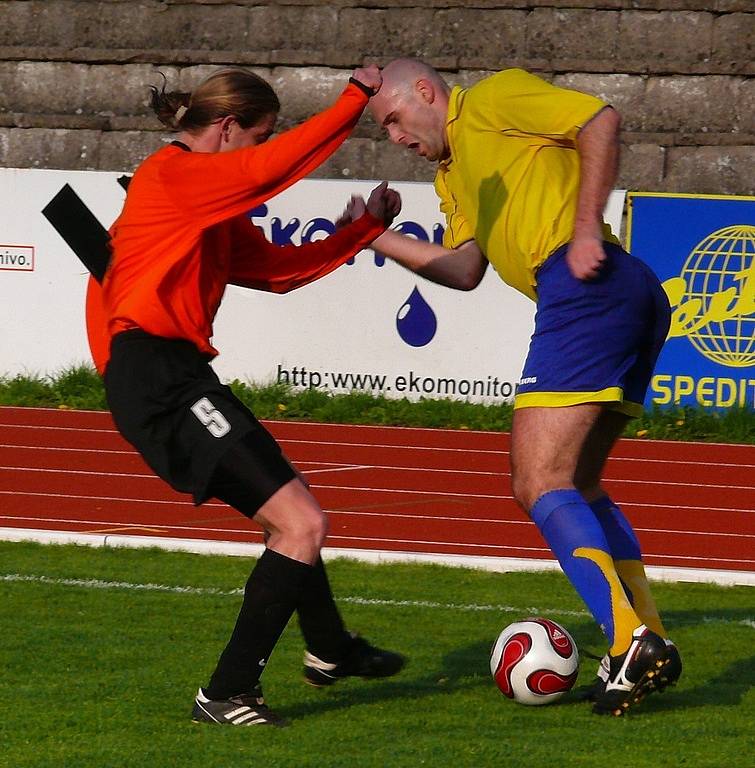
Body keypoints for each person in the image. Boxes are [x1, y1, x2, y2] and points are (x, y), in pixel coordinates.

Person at [353, 58, 681, 716]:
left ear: (424, 92)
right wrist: (371, 237)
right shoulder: (453, 173)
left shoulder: (492, 99)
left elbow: (598, 120)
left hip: (583, 283)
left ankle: (628, 639)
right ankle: (649, 642)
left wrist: (586, 227)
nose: (393, 136)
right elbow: (464, 266)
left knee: (537, 482)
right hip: (620, 291)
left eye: (391, 119)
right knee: (577, 484)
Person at [93, 66, 405, 727]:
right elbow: (270, 169)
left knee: (290, 515)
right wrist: (354, 99)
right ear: (228, 127)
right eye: (257, 134)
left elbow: (275, 272)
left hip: (176, 374)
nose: (259, 147)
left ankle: (327, 649)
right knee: (301, 523)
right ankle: (227, 693)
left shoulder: (204, 202)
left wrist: (362, 229)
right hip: (159, 377)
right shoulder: (173, 176)